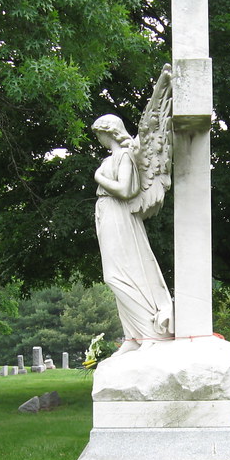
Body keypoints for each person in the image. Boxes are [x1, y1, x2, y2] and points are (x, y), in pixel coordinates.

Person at [92, 101, 174, 354]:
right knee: (117, 273)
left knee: (117, 275)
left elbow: (127, 190)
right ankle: (132, 336)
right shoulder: (114, 157)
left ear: (110, 132)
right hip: (107, 212)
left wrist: (99, 177)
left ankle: (149, 332)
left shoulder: (125, 155)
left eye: (100, 134)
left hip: (118, 214)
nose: (99, 140)